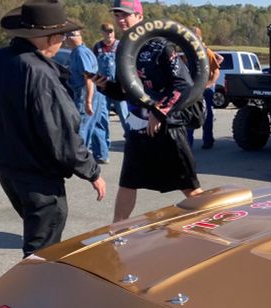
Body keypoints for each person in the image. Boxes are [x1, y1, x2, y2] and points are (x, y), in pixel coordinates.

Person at [0, 0, 106, 257]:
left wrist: (5, 133)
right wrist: (92, 172)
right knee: (41, 251)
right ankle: (35, 296)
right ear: (47, 37)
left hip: (6, 167)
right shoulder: (38, 71)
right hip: (38, 177)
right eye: (60, 35)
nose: (62, 40)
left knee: (36, 238)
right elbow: (61, 134)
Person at [97, 0, 201, 222]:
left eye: (126, 14)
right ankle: (118, 231)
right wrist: (105, 86)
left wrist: (159, 112)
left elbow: (182, 84)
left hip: (168, 126)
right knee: (128, 182)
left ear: (139, 17)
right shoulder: (123, 49)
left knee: (189, 187)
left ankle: (212, 227)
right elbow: (128, 92)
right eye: (117, 15)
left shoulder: (161, 46)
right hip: (138, 125)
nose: (121, 19)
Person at [65, 29, 107, 163]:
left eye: (68, 36)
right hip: (95, 92)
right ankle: (101, 154)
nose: (66, 39)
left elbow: (89, 77)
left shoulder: (80, 53)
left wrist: (88, 101)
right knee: (96, 124)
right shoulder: (82, 51)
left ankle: (80, 159)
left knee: (82, 125)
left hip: (85, 92)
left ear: (75, 37)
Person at [185, 26, 221, 150]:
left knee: (207, 115)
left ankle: (208, 140)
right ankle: (187, 143)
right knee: (189, 115)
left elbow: (216, 72)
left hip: (206, 90)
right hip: (192, 89)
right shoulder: (187, 52)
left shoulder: (208, 52)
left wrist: (208, 85)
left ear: (199, 38)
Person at [94, 22, 129, 137]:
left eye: (111, 31)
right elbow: (93, 66)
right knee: (102, 117)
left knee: (124, 115)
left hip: (118, 87)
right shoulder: (97, 47)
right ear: (102, 33)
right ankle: (103, 146)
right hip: (103, 88)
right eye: (106, 31)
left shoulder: (120, 45)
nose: (109, 34)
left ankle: (130, 137)